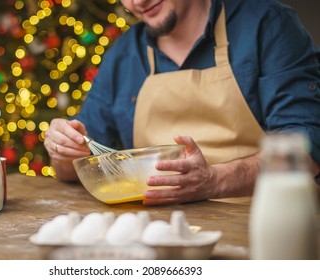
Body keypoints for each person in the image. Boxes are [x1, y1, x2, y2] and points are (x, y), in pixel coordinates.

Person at [44, 0, 320, 206]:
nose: (137, 2)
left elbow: (306, 152)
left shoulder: (267, 25)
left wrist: (214, 180)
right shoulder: (125, 53)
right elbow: (75, 168)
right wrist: (63, 150)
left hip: (269, 224)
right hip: (162, 235)